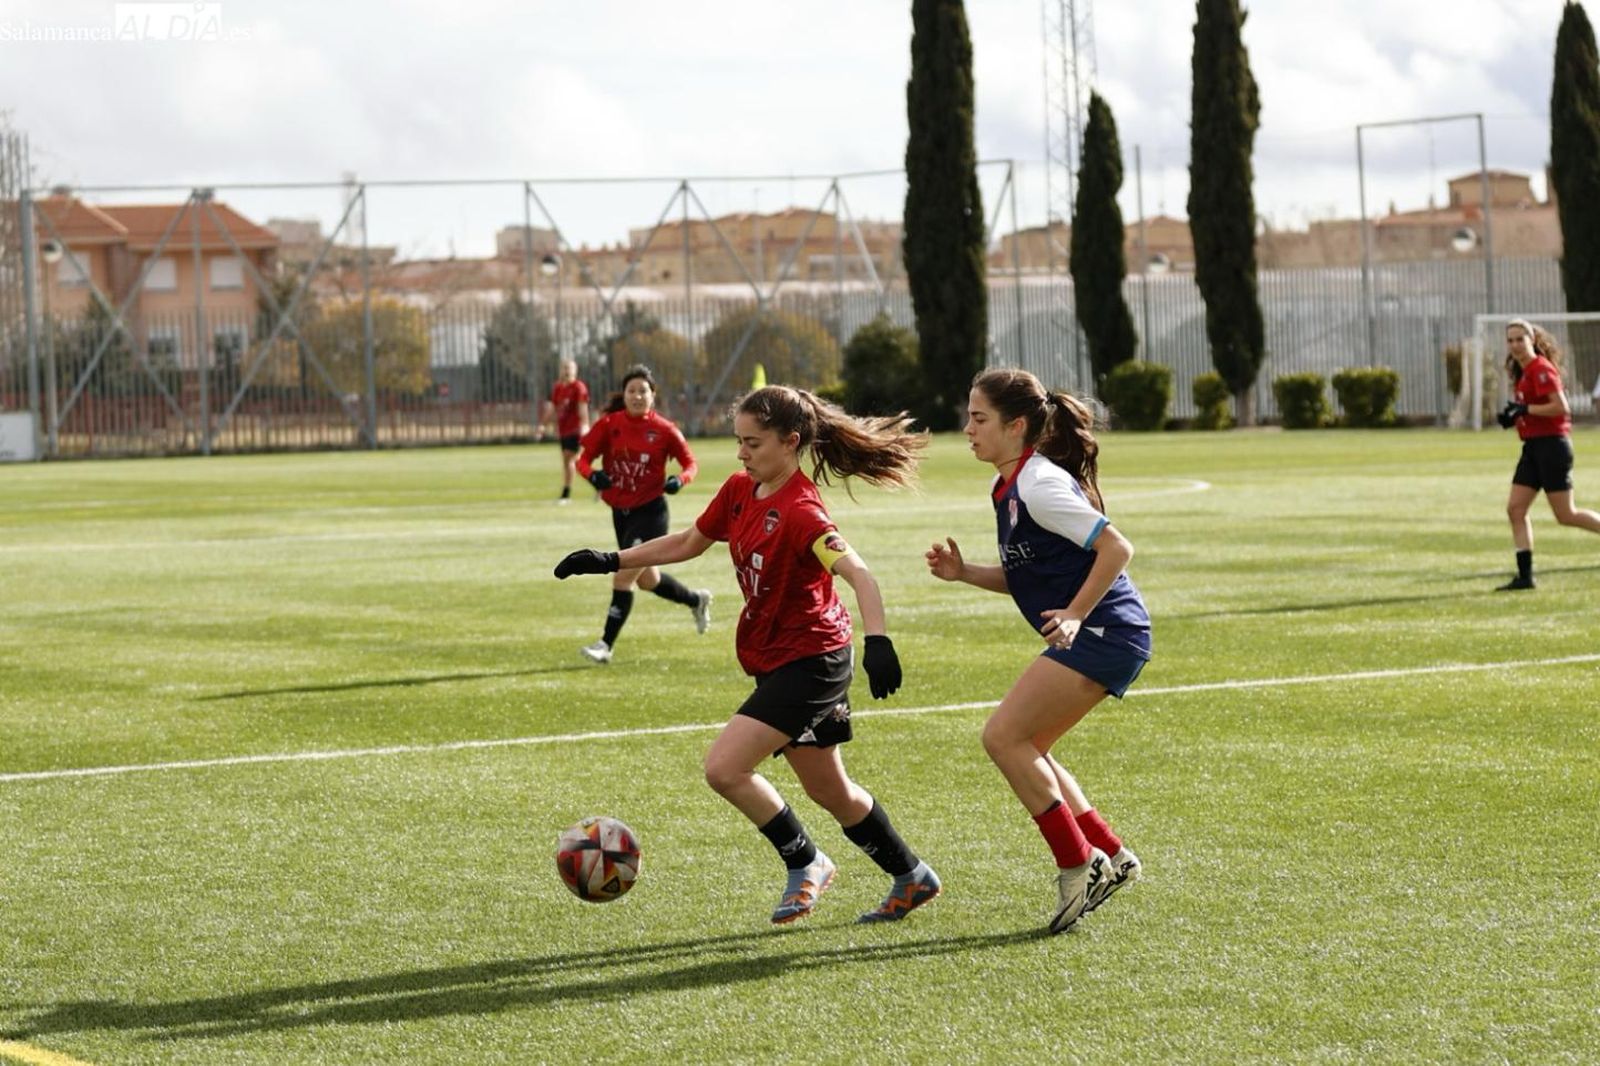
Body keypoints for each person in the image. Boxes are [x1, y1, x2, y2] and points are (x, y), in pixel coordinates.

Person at [555, 384, 941, 925]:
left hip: (813, 661)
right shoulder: (741, 490)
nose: (741, 453)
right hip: (778, 657)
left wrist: (878, 641)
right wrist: (610, 558)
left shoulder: (803, 511)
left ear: (791, 442)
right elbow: (688, 541)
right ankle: (912, 876)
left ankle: (806, 861)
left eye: (753, 443)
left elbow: (860, 574)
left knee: (725, 768)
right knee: (831, 789)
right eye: (739, 441)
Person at [925, 367, 1150, 935]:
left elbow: (1116, 547)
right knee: (1033, 746)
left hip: (1107, 632)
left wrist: (1075, 615)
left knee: (1004, 738)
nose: (968, 429)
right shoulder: (1012, 483)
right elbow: (1032, 574)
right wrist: (965, 573)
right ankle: (1109, 853)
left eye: (979, 419)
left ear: (1015, 425)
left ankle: (1078, 864)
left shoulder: (1039, 483)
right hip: (1106, 633)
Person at [571, 365, 712, 663]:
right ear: (624, 394)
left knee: (622, 578)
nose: (637, 396)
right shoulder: (609, 425)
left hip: (651, 513)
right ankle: (696, 600)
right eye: (631, 390)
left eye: (643, 391)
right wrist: (592, 476)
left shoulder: (664, 430)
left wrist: (680, 480)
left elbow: (691, 464)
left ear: (653, 395)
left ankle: (605, 646)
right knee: (648, 580)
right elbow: (581, 460)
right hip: (620, 514)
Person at [1494, 318, 1600, 590]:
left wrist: (1526, 410)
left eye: (1520, 339)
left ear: (1532, 341)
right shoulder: (1523, 371)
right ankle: (1525, 576)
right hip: (1533, 448)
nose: (1515, 344)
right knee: (1515, 509)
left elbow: (1561, 407)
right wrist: (1514, 418)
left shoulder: (1541, 368)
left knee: (1566, 515)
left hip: (1553, 447)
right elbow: (1533, 410)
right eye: (1511, 340)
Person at [539, 359, 590, 504]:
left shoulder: (579, 387)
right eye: (564, 368)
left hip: (576, 430)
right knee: (573, 462)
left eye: (569, 368)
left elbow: (582, 407)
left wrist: (585, 425)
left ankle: (566, 495)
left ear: (575, 371)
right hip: (564, 431)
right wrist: (543, 425)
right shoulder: (558, 388)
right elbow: (552, 408)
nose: (566, 371)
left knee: (570, 460)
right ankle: (600, 485)